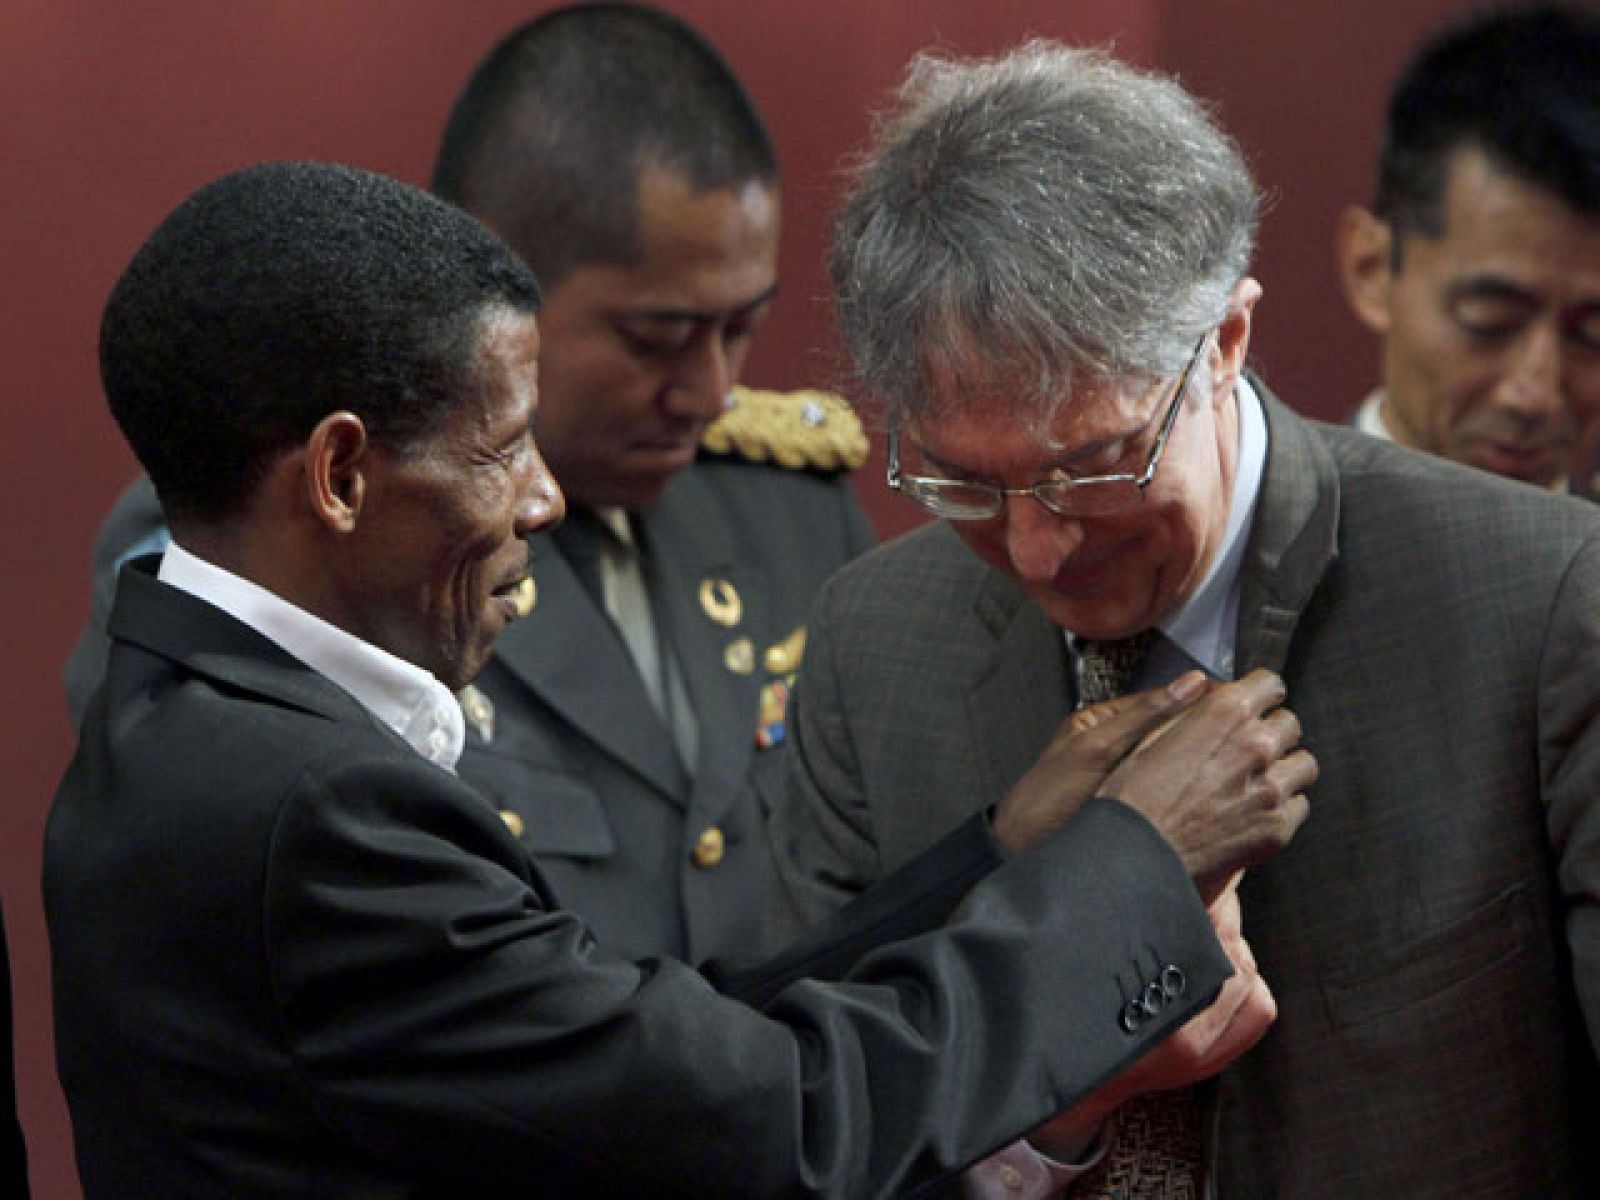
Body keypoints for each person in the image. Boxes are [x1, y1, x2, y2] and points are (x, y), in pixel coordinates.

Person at [44, 159, 1313, 1198]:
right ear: (339, 476)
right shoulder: (312, 812)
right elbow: (769, 1126)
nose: (543, 499)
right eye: (500, 450)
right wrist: (1135, 866)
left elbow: (652, 1055)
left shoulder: (174, 721)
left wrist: (995, 856)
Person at [768, 40, 1600, 1197]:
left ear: (1225, 342)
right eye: (963, 483)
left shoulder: (1540, 604)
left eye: (1094, 465)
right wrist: (1060, 1104)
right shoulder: (871, 645)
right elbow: (810, 1128)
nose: (1038, 547)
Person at [60, 3, 875, 965]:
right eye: (656, 338)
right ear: (494, 274)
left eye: (740, 329)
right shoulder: (275, 542)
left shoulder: (788, 504)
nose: (710, 392)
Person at [1336, 4, 1600, 492]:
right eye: (1491, 319)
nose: (1536, 394)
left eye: (1591, 334)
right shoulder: (1251, 532)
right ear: (1372, 269)